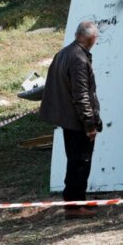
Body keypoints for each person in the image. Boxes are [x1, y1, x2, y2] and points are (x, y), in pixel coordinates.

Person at [39, 21, 103, 219]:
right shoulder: (79, 59)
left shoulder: (64, 53)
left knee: (75, 161)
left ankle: (77, 200)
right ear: (92, 39)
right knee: (80, 163)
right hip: (77, 122)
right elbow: (82, 95)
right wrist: (90, 124)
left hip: (68, 119)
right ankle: (75, 206)